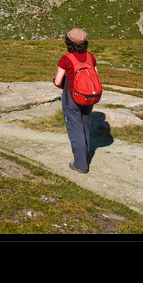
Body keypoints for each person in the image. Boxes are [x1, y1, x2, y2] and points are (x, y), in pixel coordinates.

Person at [54, 28, 96, 174]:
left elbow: (59, 81)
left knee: (75, 129)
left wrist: (58, 83)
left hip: (71, 97)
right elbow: (94, 77)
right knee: (85, 127)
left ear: (68, 42)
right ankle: (85, 157)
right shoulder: (91, 57)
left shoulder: (66, 59)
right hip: (88, 97)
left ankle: (81, 165)